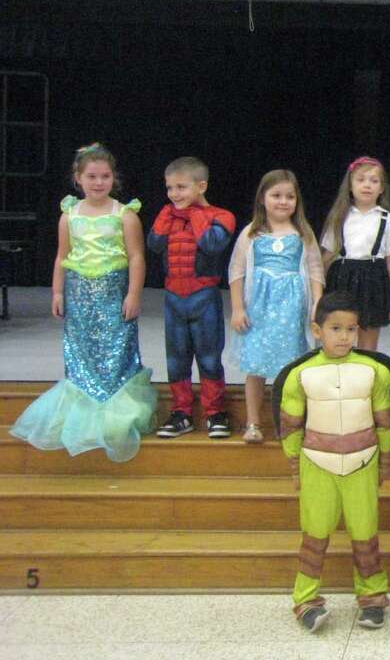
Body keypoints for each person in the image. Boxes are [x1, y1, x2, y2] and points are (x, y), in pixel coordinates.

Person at [11, 143, 156, 461]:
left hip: (113, 296)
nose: (99, 182)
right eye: (91, 176)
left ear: (113, 178)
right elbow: (62, 256)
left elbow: (136, 257)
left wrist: (133, 294)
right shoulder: (70, 216)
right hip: (80, 297)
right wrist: (58, 292)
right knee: (82, 353)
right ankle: (84, 416)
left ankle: (116, 416)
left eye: (105, 176)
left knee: (116, 350)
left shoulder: (125, 215)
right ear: (78, 178)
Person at [277, 291, 390, 632]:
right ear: (317, 330)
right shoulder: (300, 375)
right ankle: (306, 600)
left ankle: (373, 598)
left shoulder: (375, 371)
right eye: (336, 328)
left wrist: (386, 460)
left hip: (363, 463)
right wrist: (294, 466)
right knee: (314, 535)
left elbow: (385, 421)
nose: (344, 336)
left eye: (351, 329)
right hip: (317, 466)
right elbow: (290, 427)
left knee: (365, 534)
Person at [229, 170, 324, 443]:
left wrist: (317, 302)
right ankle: (253, 423)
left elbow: (316, 269)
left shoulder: (302, 234)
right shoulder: (252, 233)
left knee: (293, 367)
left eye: (289, 196)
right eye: (276, 195)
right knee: (256, 366)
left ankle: (293, 422)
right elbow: (236, 272)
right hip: (259, 309)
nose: (283, 201)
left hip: (291, 310)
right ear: (262, 198)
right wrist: (237, 308)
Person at [148, 156, 236, 439]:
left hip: (204, 296)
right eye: (170, 188)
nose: (174, 194)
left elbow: (212, 246)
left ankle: (215, 412)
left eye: (182, 187)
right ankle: (181, 412)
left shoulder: (222, 216)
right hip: (174, 298)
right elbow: (154, 245)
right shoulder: (168, 215)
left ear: (201, 186)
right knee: (176, 360)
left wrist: (196, 215)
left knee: (209, 358)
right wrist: (165, 217)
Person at [320, 156, 390, 352]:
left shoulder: (389, 220)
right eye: (360, 180)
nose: (367, 185)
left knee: (368, 342)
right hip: (342, 279)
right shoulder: (339, 217)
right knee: (339, 336)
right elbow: (327, 257)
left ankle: (366, 376)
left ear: (382, 188)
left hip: (373, 280)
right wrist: (318, 291)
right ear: (350, 185)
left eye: (374, 181)